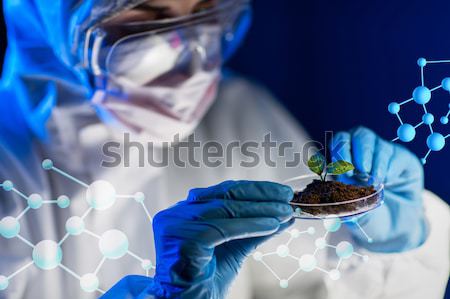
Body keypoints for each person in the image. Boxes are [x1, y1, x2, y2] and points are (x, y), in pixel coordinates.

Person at [0, 0, 448, 299]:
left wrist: (388, 248)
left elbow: (312, 283)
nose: (192, 61)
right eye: (144, 17)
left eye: (205, 10)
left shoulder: (239, 113)